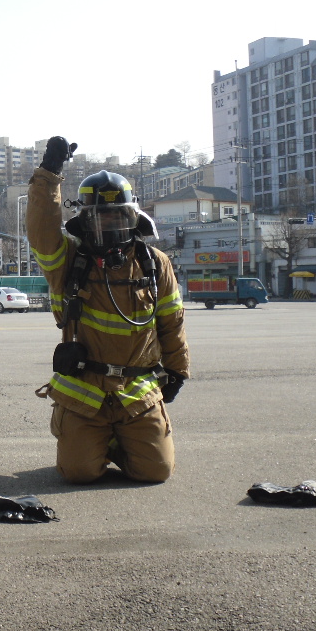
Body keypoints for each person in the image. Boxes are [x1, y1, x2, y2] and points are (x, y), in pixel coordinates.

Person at [27, 137, 190, 484]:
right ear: (85, 223)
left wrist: (177, 371)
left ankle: (119, 442)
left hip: (137, 392)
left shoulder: (154, 263)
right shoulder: (67, 261)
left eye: (119, 217)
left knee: (156, 472)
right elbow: (41, 232)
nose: (111, 227)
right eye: (101, 219)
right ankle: (97, 442)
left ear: (133, 218)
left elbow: (172, 322)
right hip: (85, 392)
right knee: (79, 473)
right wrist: (48, 176)